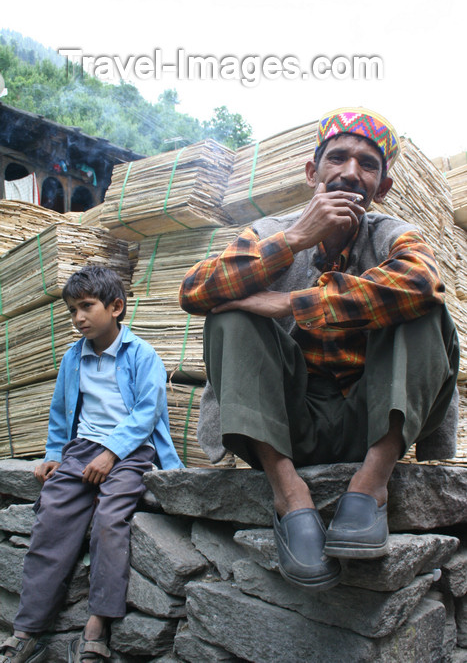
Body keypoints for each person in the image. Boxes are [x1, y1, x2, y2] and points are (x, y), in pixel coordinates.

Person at [179, 107, 459, 593]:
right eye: (338, 158)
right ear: (313, 172)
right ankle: (290, 494)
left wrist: (293, 301)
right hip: (288, 425)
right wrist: (293, 242)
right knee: (228, 312)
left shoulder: (392, 234)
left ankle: (370, 489)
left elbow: (422, 281)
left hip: (373, 421)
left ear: (382, 188)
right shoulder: (272, 233)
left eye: (368, 164)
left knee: (424, 307)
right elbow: (194, 291)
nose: (351, 172)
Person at [0, 266, 183, 663]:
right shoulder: (73, 357)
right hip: (82, 450)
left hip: (132, 452)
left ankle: (97, 624)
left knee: (109, 522)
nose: (78, 318)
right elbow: (61, 412)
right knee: (51, 517)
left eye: (86, 306)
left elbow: (146, 413)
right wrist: (52, 454)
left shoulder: (142, 354)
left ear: (115, 307)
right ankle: (28, 629)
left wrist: (111, 452)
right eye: (72, 310)